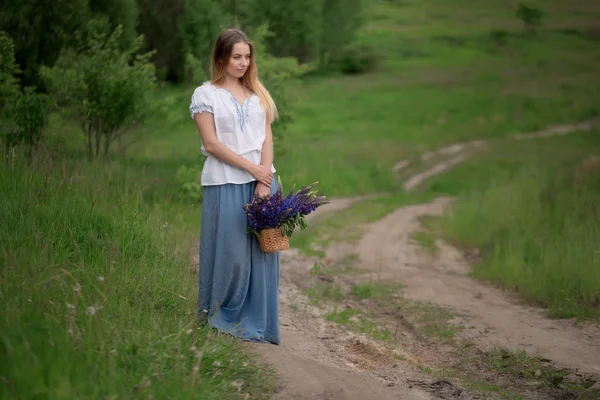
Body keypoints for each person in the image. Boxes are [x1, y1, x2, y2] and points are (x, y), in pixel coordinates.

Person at [189, 28, 281, 345]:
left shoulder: (258, 94)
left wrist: (263, 178)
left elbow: (267, 138)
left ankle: (260, 321)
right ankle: (220, 315)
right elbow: (211, 144)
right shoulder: (205, 94)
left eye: (247, 56)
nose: (243, 63)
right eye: (236, 56)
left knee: (264, 253)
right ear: (221, 57)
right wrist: (253, 168)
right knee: (232, 255)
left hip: (263, 184)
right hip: (225, 181)